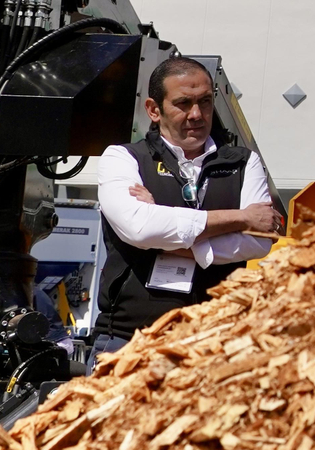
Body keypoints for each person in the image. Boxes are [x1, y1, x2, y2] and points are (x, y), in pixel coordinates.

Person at [92, 55, 281, 358]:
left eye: (205, 102)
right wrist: (241, 218)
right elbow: (140, 227)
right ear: (154, 109)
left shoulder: (244, 163)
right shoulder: (123, 158)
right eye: (183, 103)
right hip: (129, 339)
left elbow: (259, 244)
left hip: (215, 341)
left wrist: (164, 239)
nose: (197, 114)